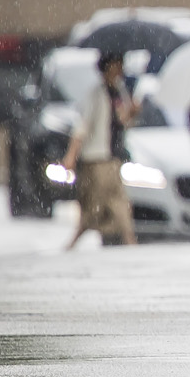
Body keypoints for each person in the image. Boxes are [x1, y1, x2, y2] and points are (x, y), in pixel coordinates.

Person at [61, 50, 137, 250]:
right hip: (97, 158)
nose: (118, 70)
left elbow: (121, 122)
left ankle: (127, 239)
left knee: (115, 202)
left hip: (112, 156)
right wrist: (71, 156)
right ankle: (126, 239)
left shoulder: (120, 91)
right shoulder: (96, 94)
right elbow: (82, 127)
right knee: (100, 205)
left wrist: (132, 113)